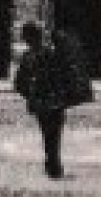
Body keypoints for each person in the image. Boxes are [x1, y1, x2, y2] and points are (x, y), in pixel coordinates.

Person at [13, 24, 85, 180]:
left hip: (40, 103)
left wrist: (31, 95)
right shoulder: (51, 54)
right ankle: (54, 165)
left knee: (46, 134)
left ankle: (52, 164)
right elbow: (64, 75)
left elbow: (19, 84)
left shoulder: (28, 57)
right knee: (54, 134)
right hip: (55, 102)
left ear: (27, 40)